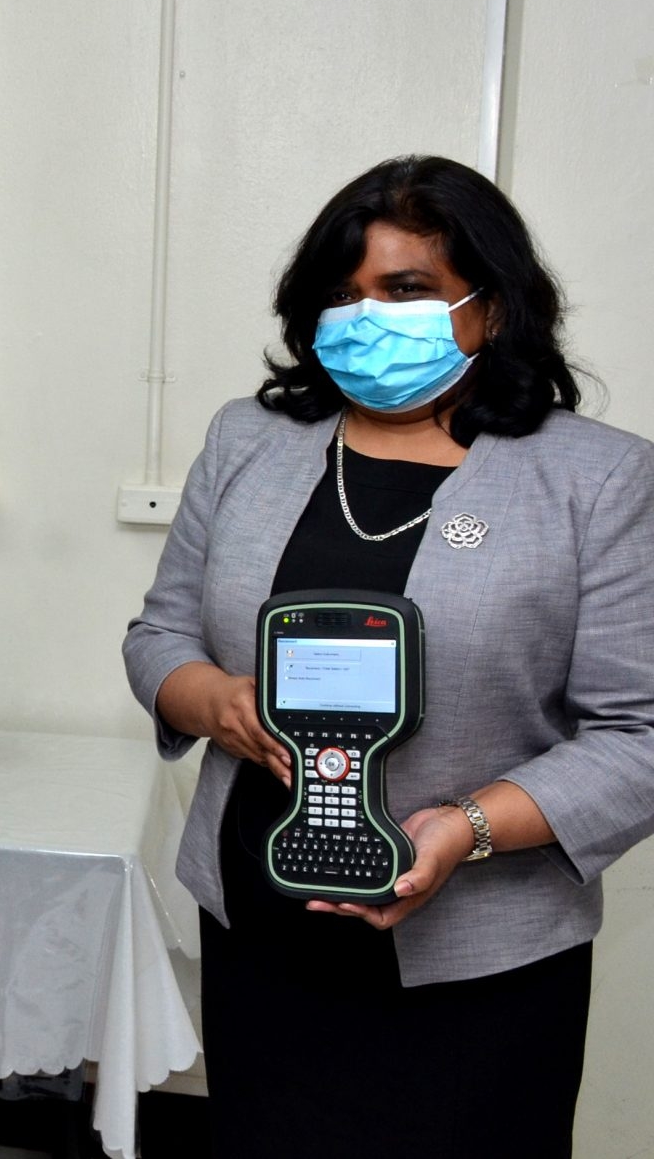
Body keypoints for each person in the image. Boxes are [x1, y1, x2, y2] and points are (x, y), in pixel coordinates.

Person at [123, 155, 654, 1159]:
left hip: (477, 965)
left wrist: (461, 827)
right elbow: (158, 635)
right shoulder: (248, 441)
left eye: (402, 289)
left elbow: (637, 732)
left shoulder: (595, 478)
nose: (363, 316)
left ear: (489, 308)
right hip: (261, 931)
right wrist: (212, 700)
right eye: (341, 293)